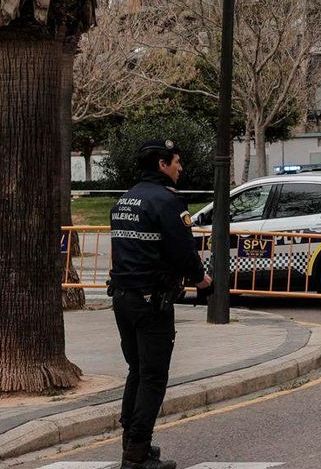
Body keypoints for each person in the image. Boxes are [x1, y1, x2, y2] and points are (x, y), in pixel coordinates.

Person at [108, 140, 210, 469]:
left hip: (123, 298)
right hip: (151, 300)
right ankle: (136, 456)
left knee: (137, 371)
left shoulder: (124, 200)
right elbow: (182, 250)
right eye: (177, 162)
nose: (181, 168)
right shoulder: (166, 201)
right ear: (163, 164)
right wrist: (200, 279)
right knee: (153, 377)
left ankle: (133, 445)